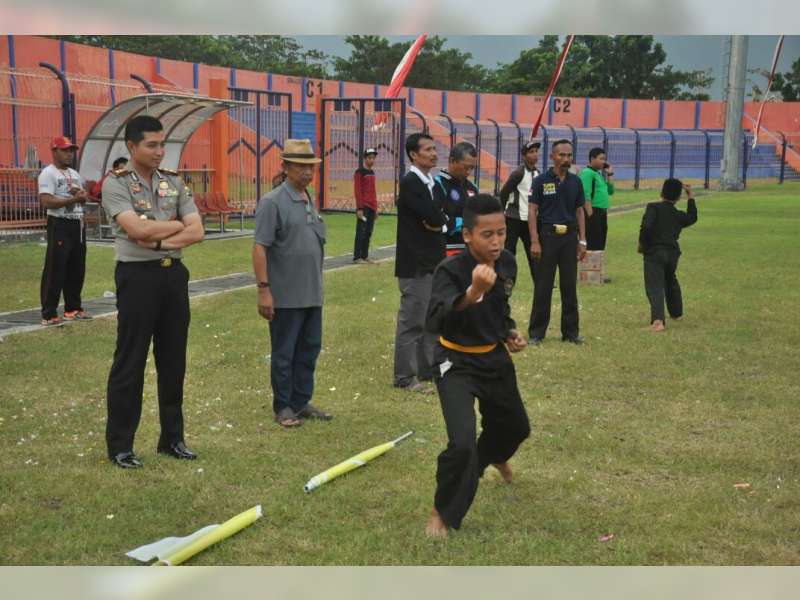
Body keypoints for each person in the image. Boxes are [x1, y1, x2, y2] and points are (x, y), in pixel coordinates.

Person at [424, 193, 531, 538]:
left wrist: (509, 332)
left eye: (501, 232)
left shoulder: (509, 263)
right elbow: (436, 320)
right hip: (455, 361)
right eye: (488, 234)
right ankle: (442, 511)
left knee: (516, 428)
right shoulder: (450, 270)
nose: (497, 241)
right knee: (462, 443)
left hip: (493, 356)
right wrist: (471, 293)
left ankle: (493, 455)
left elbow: (499, 309)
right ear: (468, 235)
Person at [101, 115, 205, 469]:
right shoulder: (115, 184)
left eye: (162, 144)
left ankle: (172, 439)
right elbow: (132, 228)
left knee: (173, 360)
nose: (160, 151)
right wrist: (175, 226)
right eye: (152, 145)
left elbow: (197, 231)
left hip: (172, 277)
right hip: (136, 278)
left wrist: (156, 236)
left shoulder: (174, 183)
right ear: (132, 147)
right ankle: (121, 445)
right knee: (130, 360)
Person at [253, 139, 333, 428]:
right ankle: (283, 406)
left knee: (309, 349)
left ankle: (301, 401)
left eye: (310, 167)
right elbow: (260, 247)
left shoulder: (308, 199)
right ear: (285, 167)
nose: (307, 173)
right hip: (285, 294)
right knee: (285, 352)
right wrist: (264, 290)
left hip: (312, 292)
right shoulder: (272, 202)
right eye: (300, 167)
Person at [393, 133, 446, 394]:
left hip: (432, 260)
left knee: (430, 319)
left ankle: (427, 370)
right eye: (428, 149)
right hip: (416, 263)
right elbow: (433, 216)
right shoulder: (412, 182)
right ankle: (405, 376)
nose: (434, 153)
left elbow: (439, 216)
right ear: (414, 154)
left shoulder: (431, 183)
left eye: (435, 149)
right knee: (412, 321)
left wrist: (437, 220)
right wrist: (437, 220)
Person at [528, 139, 587, 345]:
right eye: (561, 155)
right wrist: (534, 240)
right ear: (552, 156)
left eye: (569, 155)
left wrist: (583, 241)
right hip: (547, 238)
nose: (566, 159)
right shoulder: (541, 181)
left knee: (569, 287)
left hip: (569, 239)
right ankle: (536, 333)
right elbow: (532, 210)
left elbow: (580, 211)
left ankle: (571, 333)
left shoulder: (575, 182)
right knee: (543, 286)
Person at [38, 136, 91, 327]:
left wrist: (81, 196)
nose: (69, 154)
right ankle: (49, 312)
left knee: (77, 267)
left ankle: (73, 308)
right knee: (55, 267)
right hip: (59, 223)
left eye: (71, 150)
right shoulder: (48, 173)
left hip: (77, 223)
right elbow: (46, 201)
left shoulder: (74, 174)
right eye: (65, 150)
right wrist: (72, 200)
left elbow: (82, 196)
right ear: (54, 151)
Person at [638, 179, 697, 333]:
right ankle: (677, 313)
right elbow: (692, 217)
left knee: (654, 285)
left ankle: (658, 322)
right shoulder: (677, 215)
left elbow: (646, 226)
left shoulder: (653, 208)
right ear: (678, 198)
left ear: (661, 192)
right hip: (672, 253)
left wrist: (642, 244)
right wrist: (690, 197)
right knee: (670, 280)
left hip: (655, 253)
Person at [500, 140, 540, 335]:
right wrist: (502, 213)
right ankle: (505, 280)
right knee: (509, 252)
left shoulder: (538, 175)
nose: (534, 155)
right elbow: (504, 192)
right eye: (531, 152)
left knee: (534, 250)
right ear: (524, 155)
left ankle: (539, 281)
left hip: (530, 220)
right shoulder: (518, 173)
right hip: (514, 218)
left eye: (536, 152)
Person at [433, 142, 478, 256]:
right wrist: (466, 224)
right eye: (465, 167)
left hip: (470, 249)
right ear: (452, 161)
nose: (468, 172)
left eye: (471, 168)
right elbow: (436, 217)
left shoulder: (472, 188)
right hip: (445, 248)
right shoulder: (437, 184)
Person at [579, 147, 614, 283]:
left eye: (604, 159)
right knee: (592, 243)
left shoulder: (598, 174)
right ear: (592, 159)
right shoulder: (588, 173)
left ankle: (595, 274)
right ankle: (589, 276)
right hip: (593, 212)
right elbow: (585, 194)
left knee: (599, 243)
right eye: (601, 158)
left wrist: (610, 174)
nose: (603, 162)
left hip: (601, 213)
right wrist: (590, 215)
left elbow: (610, 191)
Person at [353, 147, 379, 264]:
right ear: (364, 159)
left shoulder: (372, 173)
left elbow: (373, 191)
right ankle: (357, 257)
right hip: (364, 207)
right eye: (369, 158)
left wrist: (376, 209)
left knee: (368, 232)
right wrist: (359, 208)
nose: (372, 160)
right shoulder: (360, 172)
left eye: (373, 158)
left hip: (372, 207)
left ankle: (365, 256)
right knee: (361, 232)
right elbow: (358, 191)